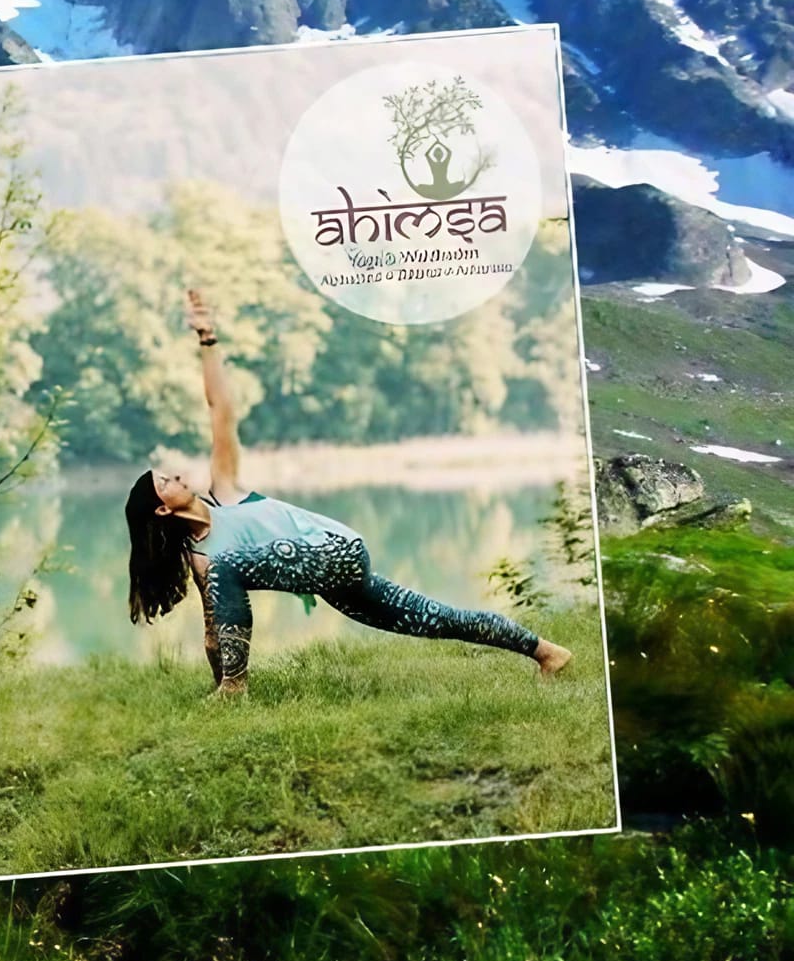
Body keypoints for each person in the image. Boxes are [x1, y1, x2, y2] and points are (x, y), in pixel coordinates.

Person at [124, 287, 574, 696]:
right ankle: (548, 653)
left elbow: (220, 409)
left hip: (336, 550)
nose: (177, 476)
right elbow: (214, 631)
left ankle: (237, 691)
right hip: (334, 583)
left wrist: (208, 339)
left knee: (225, 567)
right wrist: (217, 671)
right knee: (436, 618)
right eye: (165, 482)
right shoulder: (203, 561)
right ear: (161, 512)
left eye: (170, 473)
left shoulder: (225, 491)